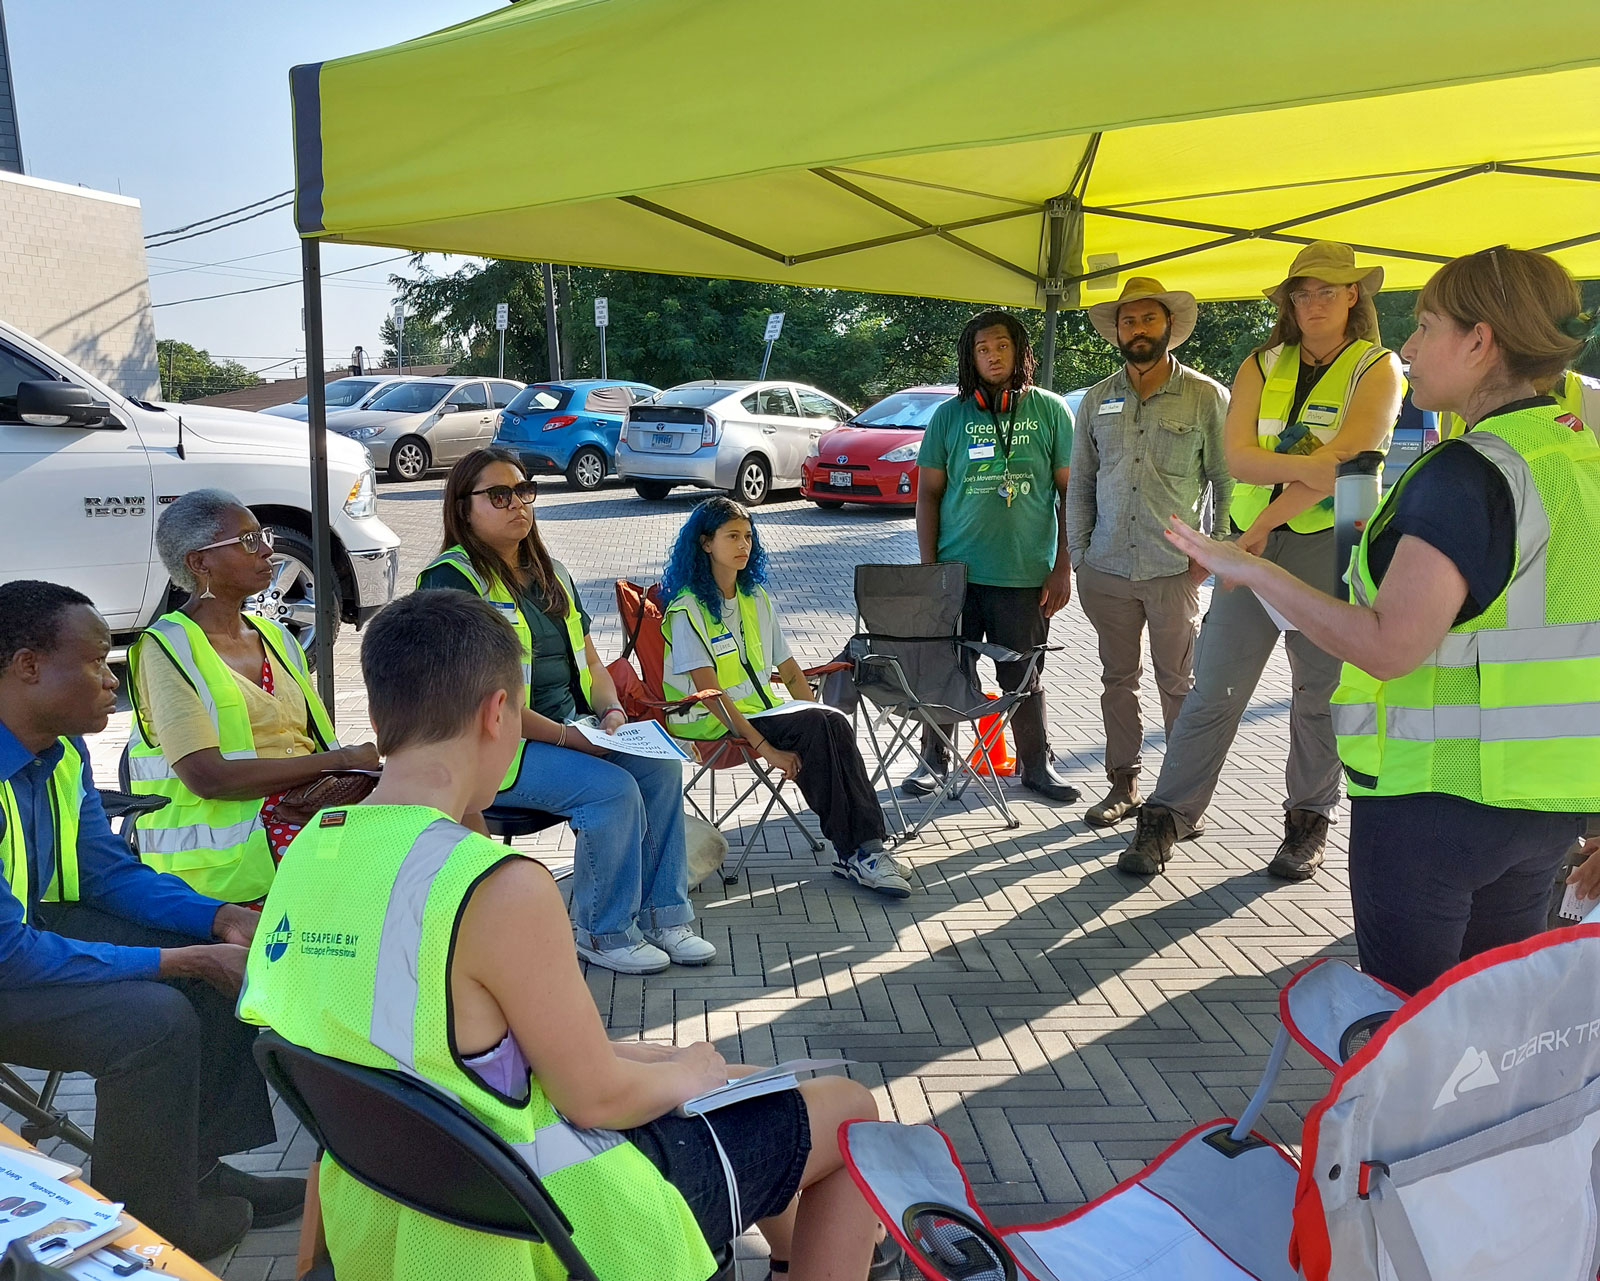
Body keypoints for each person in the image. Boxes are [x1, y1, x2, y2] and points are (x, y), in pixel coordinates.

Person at [238, 590, 888, 1281]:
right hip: (568, 1214)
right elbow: (595, 1099)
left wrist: (677, 1063)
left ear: (378, 716)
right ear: (498, 713)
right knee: (848, 1111)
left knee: (747, 1082)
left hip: (410, 1195)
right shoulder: (495, 886)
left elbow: (441, 1042)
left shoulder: (314, 844)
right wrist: (691, 1071)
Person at [1169, 246, 1599, 993]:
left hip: (1433, 811)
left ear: (1480, 339)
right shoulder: (1580, 456)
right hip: (1547, 815)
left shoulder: (1469, 470)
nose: (1409, 345)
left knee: (1412, 1031)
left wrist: (1254, 568)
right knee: (1491, 1024)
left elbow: (1391, 644)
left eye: (1427, 324)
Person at [0, 581, 301, 1260]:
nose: (111, 681)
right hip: (6, 957)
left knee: (217, 962)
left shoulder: (59, 750)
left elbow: (107, 874)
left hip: (26, 933)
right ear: (26, 667)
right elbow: (10, 954)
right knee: (153, 1020)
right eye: (95, 662)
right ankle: (150, 1230)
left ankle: (190, 1171)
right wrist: (181, 960)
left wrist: (221, 917)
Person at [1120, 241, 1403, 880]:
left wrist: (1268, 519)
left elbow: (1350, 471)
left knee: (1320, 695)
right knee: (1213, 687)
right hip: (1250, 538)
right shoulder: (1260, 362)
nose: (1313, 304)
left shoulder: (1379, 367)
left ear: (1354, 294)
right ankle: (1167, 816)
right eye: (1302, 293)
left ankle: (1308, 824)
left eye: (1328, 291)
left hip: (1330, 541)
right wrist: (1314, 467)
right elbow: (1241, 461)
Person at [418, 448, 711, 975]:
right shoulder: (450, 582)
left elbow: (591, 659)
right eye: (499, 496)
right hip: (496, 750)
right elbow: (484, 695)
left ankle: (667, 915)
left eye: (523, 491)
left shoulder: (551, 572)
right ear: (464, 509)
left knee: (661, 768)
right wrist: (569, 739)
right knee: (611, 789)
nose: (517, 504)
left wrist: (613, 713)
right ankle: (603, 932)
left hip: (575, 729)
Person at [127, 489, 376, 903]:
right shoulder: (166, 649)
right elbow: (207, 777)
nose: (265, 550)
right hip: (221, 867)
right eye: (247, 541)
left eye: (264, 536)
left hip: (294, 816)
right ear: (199, 562)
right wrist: (342, 761)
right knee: (369, 885)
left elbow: (306, 743)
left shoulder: (279, 637)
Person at [660, 497, 911, 899]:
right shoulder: (686, 609)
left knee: (829, 720)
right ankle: (859, 852)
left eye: (748, 536)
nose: (745, 545)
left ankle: (866, 849)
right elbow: (712, 696)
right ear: (705, 543)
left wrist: (815, 706)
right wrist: (770, 751)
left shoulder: (752, 597)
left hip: (761, 713)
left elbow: (791, 672)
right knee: (816, 726)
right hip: (709, 723)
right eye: (732, 536)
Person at [1067, 278, 1232, 827]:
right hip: (1106, 567)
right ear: (1117, 331)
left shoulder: (1206, 396)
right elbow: (1082, 482)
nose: (1137, 329)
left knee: (1179, 684)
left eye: (1148, 320)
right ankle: (1123, 786)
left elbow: (1225, 479)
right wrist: (1078, 558)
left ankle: (1179, 797)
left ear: (1168, 327)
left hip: (1172, 571)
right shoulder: (1097, 399)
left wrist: (1212, 555)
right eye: (1128, 321)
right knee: (1118, 682)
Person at [909, 310, 1081, 804]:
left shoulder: (1050, 411)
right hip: (956, 573)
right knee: (947, 669)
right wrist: (930, 572)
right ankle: (933, 760)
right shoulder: (949, 416)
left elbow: (1071, 493)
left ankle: (1035, 766)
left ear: (1020, 351)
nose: (992, 356)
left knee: (1024, 672)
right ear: (971, 357)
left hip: (1025, 573)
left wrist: (1062, 563)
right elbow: (928, 496)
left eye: (1001, 346)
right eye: (982, 348)